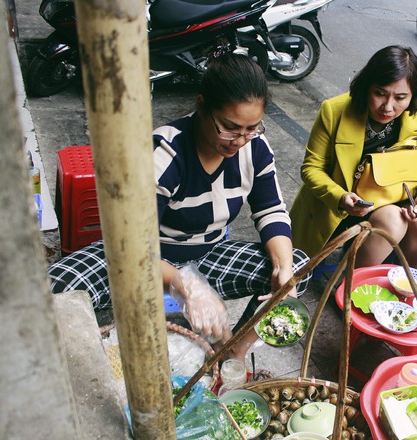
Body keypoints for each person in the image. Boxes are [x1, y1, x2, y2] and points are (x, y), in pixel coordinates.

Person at [48, 53, 311, 361]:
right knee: (53, 292)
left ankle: (231, 353)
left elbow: (271, 211)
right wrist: (184, 284)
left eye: (252, 128)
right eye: (229, 127)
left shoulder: (254, 149)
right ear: (202, 107)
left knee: (298, 269)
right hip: (141, 259)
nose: (239, 140)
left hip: (206, 255)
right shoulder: (163, 155)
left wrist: (282, 270)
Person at [290, 45, 417, 268]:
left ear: (414, 94)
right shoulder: (334, 111)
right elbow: (311, 168)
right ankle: (351, 285)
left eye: (400, 97)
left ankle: (402, 281)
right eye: (380, 93)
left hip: (395, 194)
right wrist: (341, 197)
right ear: (366, 86)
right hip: (344, 205)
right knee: (392, 221)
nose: (388, 107)